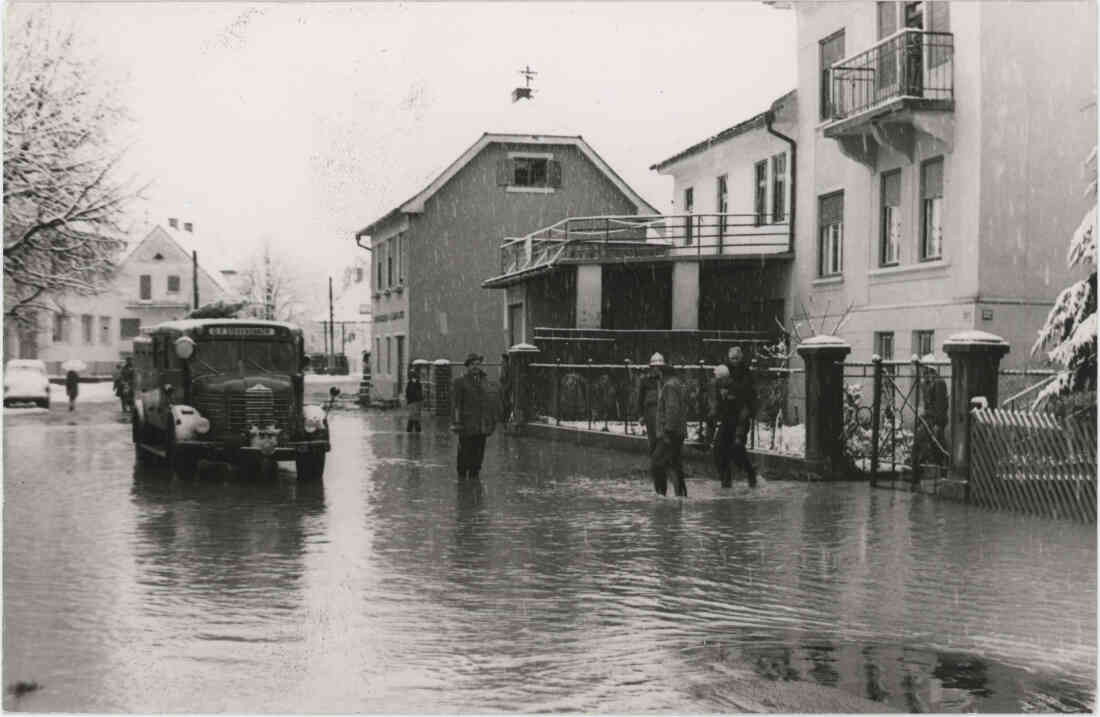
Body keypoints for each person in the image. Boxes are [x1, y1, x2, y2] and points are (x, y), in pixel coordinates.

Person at [711, 347, 759, 488]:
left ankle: (750, 472)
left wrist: (732, 389)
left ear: (741, 358)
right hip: (727, 417)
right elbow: (718, 394)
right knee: (719, 449)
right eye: (732, 358)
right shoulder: (725, 372)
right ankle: (726, 480)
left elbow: (747, 394)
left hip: (741, 417)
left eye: (736, 358)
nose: (734, 361)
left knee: (736, 448)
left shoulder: (746, 374)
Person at [451, 353, 498, 480]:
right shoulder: (460, 382)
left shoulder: (485, 382)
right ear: (467, 366)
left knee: (479, 451)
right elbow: (456, 404)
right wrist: (457, 422)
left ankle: (474, 473)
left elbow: (490, 401)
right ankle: (462, 474)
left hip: (482, 424)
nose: (476, 367)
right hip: (467, 424)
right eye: (473, 364)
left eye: (478, 364)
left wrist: (492, 420)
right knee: (465, 450)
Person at [650, 353, 689, 497]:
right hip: (677, 432)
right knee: (674, 463)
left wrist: (667, 431)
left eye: (658, 372)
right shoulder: (676, 384)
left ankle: (661, 494)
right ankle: (680, 495)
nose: (656, 374)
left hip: (670, 433)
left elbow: (672, 410)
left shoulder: (669, 386)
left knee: (657, 462)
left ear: (662, 373)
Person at [916, 355, 949, 477]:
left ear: (931, 370)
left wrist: (938, 424)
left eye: (926, 370)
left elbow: (941, 405)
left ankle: (943, 470)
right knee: (928, 443)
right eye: (923, 370)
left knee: (938, 445)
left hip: (935, 420)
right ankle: (921, 469)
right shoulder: (927, 383)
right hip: (928, 419)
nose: (924, 373)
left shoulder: (939, 383)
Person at [635, 353, 664, 455]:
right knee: (652, 437)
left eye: (659, 367)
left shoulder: (665, 380)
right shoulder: (646, 381)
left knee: (663, 438)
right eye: (654, 367)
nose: (656, 369)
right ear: (651, 368)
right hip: (650, 411)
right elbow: (640, 398)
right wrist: (640, 415)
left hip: (663, 412)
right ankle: (654, 460)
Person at [405, 363, 424, 433]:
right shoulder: (412, 383)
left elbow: (409, 392)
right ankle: (414, 428)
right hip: (413, 401)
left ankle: (413, 428)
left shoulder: (414, 383)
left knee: (414, 415)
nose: (414, 379)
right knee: (414, 415)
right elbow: (409, 392)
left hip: (415, 401)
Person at [499, 353, 513, 427]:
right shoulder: (503, 368)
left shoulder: (508, 369)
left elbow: (509, 381)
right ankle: (504, 421)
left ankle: (505, 421)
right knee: (504, 405)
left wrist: (505, 389)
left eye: (502, 361)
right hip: (503, 390)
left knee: (506, 405)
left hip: (506, 391)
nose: (501, 362)